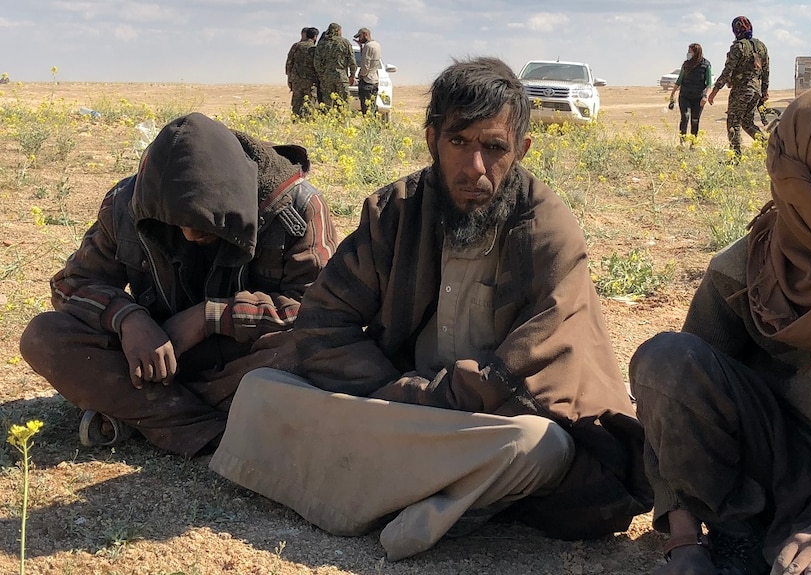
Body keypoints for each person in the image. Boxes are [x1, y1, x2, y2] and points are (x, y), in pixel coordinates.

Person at [210, 56, 652, 562]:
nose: (475, 168)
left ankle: (400, 492)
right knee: (262, 390)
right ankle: (441, 499)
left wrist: (413, 399)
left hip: (484, 422)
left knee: (539, 446)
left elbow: (529, 369)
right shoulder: (394, 212)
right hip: (401, 412)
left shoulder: (549, 231)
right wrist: (390, 392)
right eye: (458, 143)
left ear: (522, 151)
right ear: (430, 140)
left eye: (494, 148)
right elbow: (324, 321)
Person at [630, 82, 811, 575]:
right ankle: (739, 536)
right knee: (668, 358)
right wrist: (685, 539)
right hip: (772, 473)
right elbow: (673, 394)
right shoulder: (748, 267)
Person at [19, 112, 338, 458]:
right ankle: (212, 426)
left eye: (205, 223)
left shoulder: (296, 209)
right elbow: (72, 284)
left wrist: (210, 317)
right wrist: (127, 319)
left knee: (316, 349)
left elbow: (321, 309)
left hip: (244, 363)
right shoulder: (128, 205)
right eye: (176, 222)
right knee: (44, 337)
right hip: (153, 363)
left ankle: (143, 414)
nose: (190, 234)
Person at [707, 16, 769, 160]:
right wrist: (764, 91)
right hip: (756, 91)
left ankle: (735, 157)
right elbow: (766, 71)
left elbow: (727, 71)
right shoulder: (761, 46)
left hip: (741, 91)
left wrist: (714, 91)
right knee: (747, 123)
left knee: (733, 123)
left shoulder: (738, 47)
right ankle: (770, 147)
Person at [668, 43, 711, 146]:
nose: (688, 54)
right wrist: (672, 94)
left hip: (698, 97)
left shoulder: (706, 65)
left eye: (690, 51)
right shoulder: (686, 64)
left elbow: (709, 83)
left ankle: (693, 144)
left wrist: (705, 96)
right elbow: (679, 80)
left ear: (696, 53)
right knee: (685, 117)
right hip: (685, 96)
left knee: (695, 120)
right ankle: (682, 142)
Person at [313, 22, 356, 110]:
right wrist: (352, 75)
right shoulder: (344, 42)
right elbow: (352, 61)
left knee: (329, 104)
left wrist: (322, 75)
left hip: (326, 79)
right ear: (338, 31)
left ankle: (331, 121)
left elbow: (316, 62)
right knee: (344, 103)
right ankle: (343, 122)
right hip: (341, 78)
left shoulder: (322, 44)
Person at [287, 26, 319, 118]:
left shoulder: (296, 46)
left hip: (296, 80)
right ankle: (306, 122)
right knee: (309, 104)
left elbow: (289, 63)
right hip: (310, 82)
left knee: (296, 103)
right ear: (315, 37)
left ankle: (295, 121)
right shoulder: (314, 49)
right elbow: (317, 65)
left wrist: (289, 78)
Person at [353, 27, 382, 116]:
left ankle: (368, 126)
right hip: (374, 80)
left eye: (360, 36)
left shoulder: (368, 46)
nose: (359, 39)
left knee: (366, 108)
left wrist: (361, 75)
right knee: (372, 106)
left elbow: (365, 63)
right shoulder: (376, 44)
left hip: (367, 81)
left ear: (366, 34)